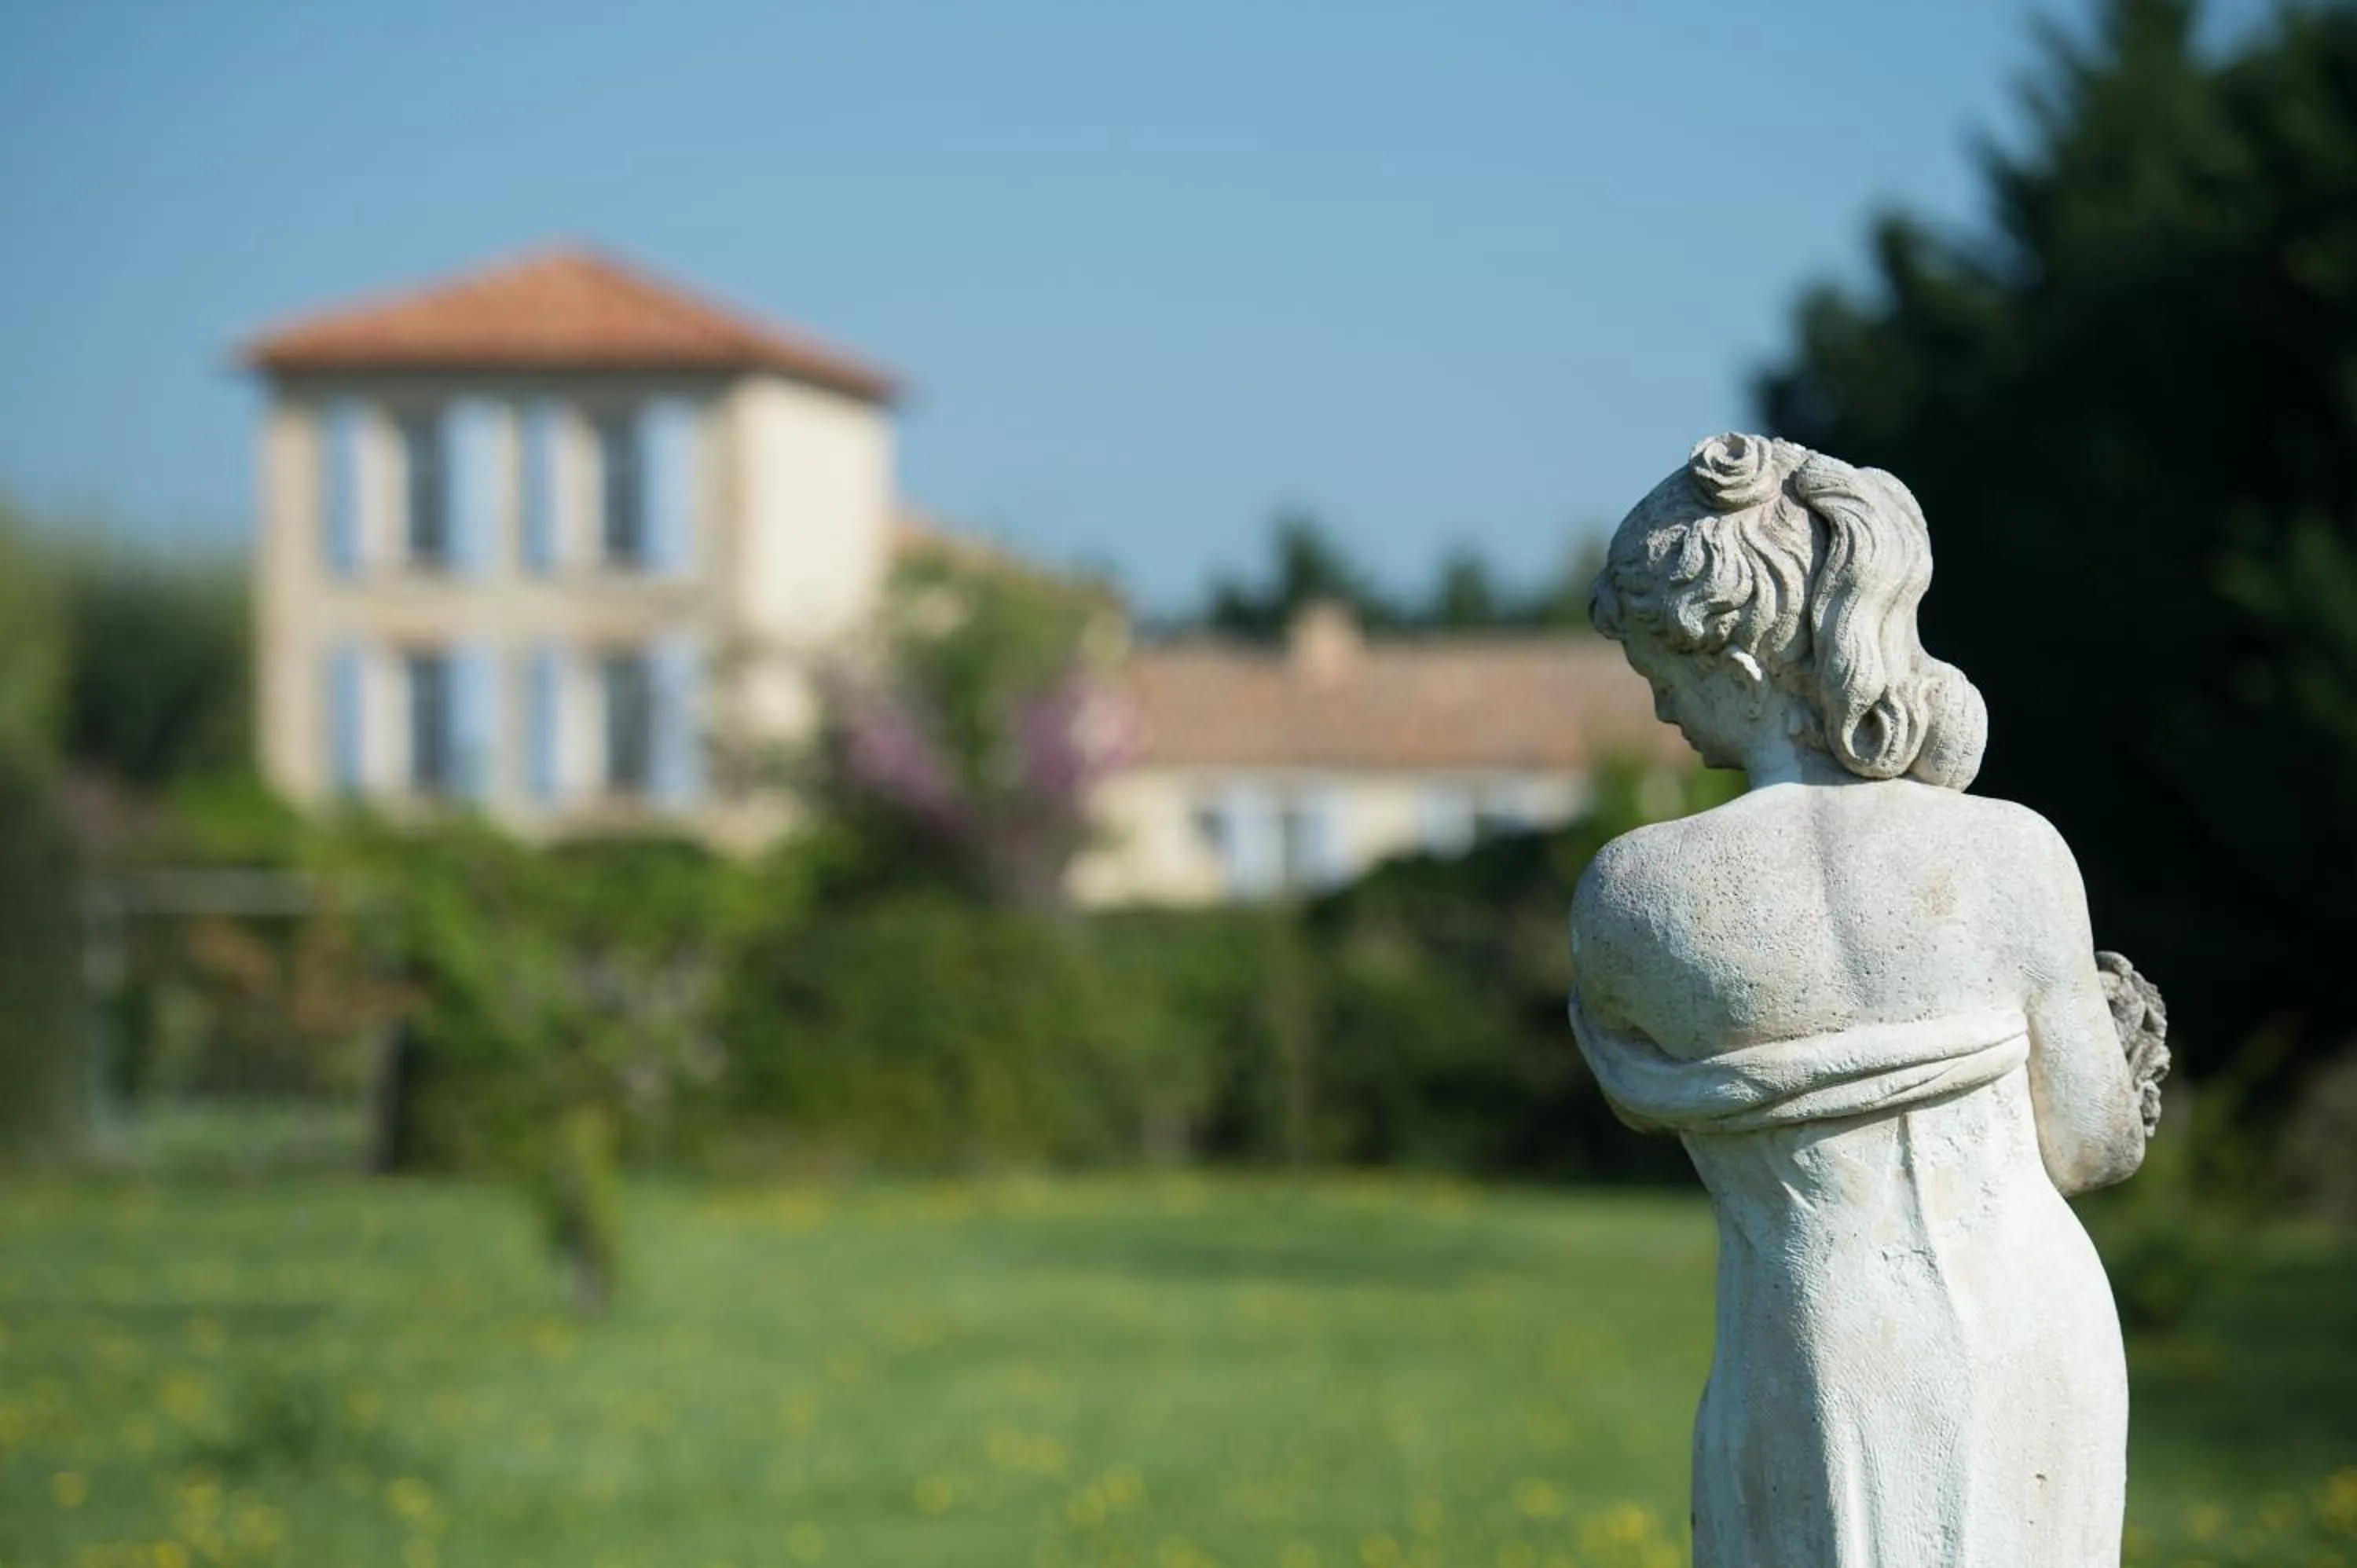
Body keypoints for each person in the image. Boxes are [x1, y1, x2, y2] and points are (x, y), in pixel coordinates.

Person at [1569, 433, 2154, 1566]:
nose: (1658, 717)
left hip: (1815, 1342)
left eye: (1660, 676)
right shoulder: (2015, 854)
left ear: (1732, 662)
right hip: (2037, 1323)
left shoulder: (1632, 895)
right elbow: (2092, 1146)